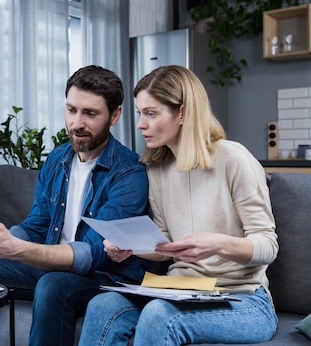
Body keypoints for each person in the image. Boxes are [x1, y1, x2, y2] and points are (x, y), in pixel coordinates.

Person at [0, 65, 150, 346]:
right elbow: (37, 224)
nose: (77, 123)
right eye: (71, 110)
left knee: (54, 285)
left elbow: (95, 253)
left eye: (90, 113)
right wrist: (0, 242)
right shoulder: (58, 158)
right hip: (52, 267)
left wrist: (20, 250)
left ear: (115, 115)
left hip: (105, 277)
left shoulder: (129, 172)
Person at [78, 65, 279, 346]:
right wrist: (132, 247)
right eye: (139, 113)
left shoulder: (233, 159)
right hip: (181, 289)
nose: (140, 124)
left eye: (151, 113)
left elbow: (268, 246)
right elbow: (166, 245)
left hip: (243, 299)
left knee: (160, 315)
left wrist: (217, 244)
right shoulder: (157, 169)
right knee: (103, 305)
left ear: (182, 113)